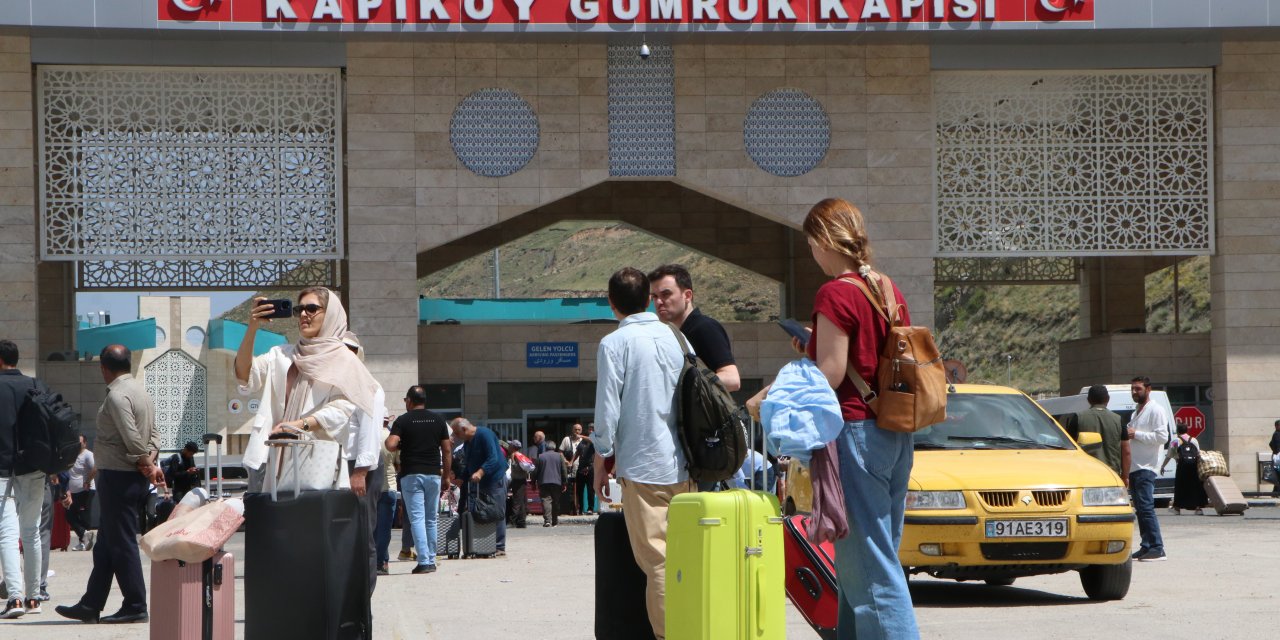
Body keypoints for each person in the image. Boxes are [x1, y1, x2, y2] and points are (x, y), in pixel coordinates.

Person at [751, 198, 919, 638]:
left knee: (872, 571)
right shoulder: (885, 288)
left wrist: (769, 397)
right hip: (894, 431)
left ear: (824, 241)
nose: (812, 253)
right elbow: (868, 354)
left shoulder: (835, 292)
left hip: (857, 433)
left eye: (811, 244)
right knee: (861, 564)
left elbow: (831, 373)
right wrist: (816, 341)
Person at [591, 267, 692, 640]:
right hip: (686, 465)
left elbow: (607, 412)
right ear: (649, 299)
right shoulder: (678, 337)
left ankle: (669, 635)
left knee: (658, 562)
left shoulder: (614, 343)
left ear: (611, 303)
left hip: (643, 466)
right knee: (684, 559)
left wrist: (601, 460)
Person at [234, 287, 380, 494]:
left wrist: (298, 426)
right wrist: (252, 328)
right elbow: (244, 375)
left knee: (313, 512)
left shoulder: (345, 360)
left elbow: (342, 408)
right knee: (271, 512)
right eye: (298, 310)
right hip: (273, 454)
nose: (303, 314)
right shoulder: (281, 354)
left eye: (311, 308)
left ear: (330, 314)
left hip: (317, 460)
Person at [56, 344, 164, 625]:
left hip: (118, 476)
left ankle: (135, 604)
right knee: (105, 544)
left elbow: (130, 434)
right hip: (131, 476)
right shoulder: (141, 391)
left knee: (123, 542)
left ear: (103, 368)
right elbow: (154, 433)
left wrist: (146, 462)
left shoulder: (116, 395)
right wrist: (150, 460)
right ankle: (90, 604)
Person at [0, 339, 58, 618]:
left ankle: (14, 599)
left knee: (7, 532)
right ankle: (34, 598)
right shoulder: (36, 385)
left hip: (1, 469)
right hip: (34, 467)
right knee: (31, 531)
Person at [386, 386, 452, 574]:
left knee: (417, 518)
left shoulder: (403, 420)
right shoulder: (438, 419)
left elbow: (390, 444)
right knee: (431, 518)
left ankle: (424, 561)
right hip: (433, 474)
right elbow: (447, 450)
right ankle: (431, 558)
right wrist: (447, 476)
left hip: (411, 474)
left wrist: (402, 443)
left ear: (409, 400)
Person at [339, 335, 386, 591]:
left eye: (349, 350)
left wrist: (360, 472)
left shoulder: (368, 386)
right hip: (342, 465)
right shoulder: (337, 386)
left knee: (362, 532)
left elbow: (370, 432)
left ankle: (363, 594)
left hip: (360, 468)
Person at [648, 264, 741, 393]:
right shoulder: (672, 332)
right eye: (654, 296)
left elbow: (732, 380)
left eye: (666, 294)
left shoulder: (704, 328)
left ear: (687, 296)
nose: (658, 302)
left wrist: (682, 385)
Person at [1127, 376, 1170, 562]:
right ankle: (1146, 546)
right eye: (1132, 389)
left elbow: (1162, 437)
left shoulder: (1156, 410)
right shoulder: (1135, 412)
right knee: (1140, 509)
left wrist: (1136, 434)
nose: (1134, 392)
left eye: (1138, 388)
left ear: (1148, 389)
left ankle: (1157, 548)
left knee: (1146, 508)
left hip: (1147, 467)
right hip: (1134, 467)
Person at [451, 418, 508, 556]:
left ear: (464, 429)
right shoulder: (467, 443)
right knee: (483, 511)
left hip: (495, 479)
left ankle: (499, 546)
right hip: (480, 482)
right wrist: (461, 478)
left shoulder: (484, 434)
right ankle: (484, 545)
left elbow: (493, 458)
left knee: (496, 511)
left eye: (457, 433)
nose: (456, 436)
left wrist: (480, 472)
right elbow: (469, 465)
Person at [1066, 385, 1130, 484]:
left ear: (1088, 400)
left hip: (1087, 474)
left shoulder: (1078, 418)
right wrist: (1125, 476)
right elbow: (1126, 451)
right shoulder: (1118, 419)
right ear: (1108, 399)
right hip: (1112, 475)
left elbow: (1069, 448)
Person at [1161, 423, 1207, 516]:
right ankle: (1198, 508)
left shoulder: (1175, 441)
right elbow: (1198, 454)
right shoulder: (1194, 440)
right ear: (1187, 430)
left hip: (1182, 466)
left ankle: (1177, 508)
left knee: (1180, 486)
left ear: (1177, 431)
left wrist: (1163, 466)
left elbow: (1169, 455)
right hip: (1193, 466)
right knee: (1195, 486)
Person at [64, 436, 97, 553]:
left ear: (85, 443)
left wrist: (87, 481)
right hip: (72, 492)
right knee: (69, 515)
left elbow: (95, 468)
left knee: (83, 516)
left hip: (86, 491)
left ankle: (83, 542)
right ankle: (84, 535)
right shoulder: (72, 455)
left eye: (80, 442)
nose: (77, 445)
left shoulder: (88, 455)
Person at [375, 420, 398, 576]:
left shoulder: (369, 435)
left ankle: (373, 561)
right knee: (384, 529)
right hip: (389, 486)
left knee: (372, 528)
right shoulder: (392, 437)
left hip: (370, 487)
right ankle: (382, 562)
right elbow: (399, 464)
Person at [535, 445, 568, 527]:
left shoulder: (541, 456)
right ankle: (555, 521)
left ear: (546, 448)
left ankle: (547, 521)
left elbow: (536, 471)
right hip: (557, 482)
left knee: (546, 500)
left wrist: (533, 482)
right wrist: (565, 482)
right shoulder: (559, 456)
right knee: (555, 501)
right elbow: (564, 470)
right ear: (554, 448)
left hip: (544, 482)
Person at [559, 424, 586, 515]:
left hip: (581, 468)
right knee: (569, 489)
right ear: (572, 430)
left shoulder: (583, 440)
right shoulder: (567, 439)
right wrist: (565, 461)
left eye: (579, 430)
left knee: (579, 489)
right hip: (569, 469)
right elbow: (560, 452)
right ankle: (569, 509)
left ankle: (579, 508)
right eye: (575, 429)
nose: (577, 431)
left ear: (581, 431)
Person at [506, 439, 529, 528]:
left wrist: (512, 460)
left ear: (513, 447)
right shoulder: (519, 455)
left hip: (518, 481)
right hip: (519, 481)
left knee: (516, 501)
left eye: (510, 445)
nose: (508, 447)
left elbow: (517, 468)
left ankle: (512, 521)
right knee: (521, 501)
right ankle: (521, 521)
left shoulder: (516, 456)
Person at [576, 425, 597, 515]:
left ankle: (590, 508)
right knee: (579, 489)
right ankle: (580, 508)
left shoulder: (596, 439)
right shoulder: (583, 441)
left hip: (591, 467)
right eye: (589, 429)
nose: (591, 430)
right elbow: (577, 452)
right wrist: (571, 461)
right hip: (581, 467)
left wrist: (581, 436)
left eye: (592, 429)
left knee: (590, 489)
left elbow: (592, 440)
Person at [1270, 419, 1280, 497]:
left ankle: (1275, 492)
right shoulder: (1276, 434)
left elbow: (1270, 444)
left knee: (1278, 475)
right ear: (1276, 426)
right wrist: (1276, 452)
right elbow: (1277, 445)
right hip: (1278, 457)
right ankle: (1276, 492)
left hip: (1277, 456)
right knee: (1278, 474)